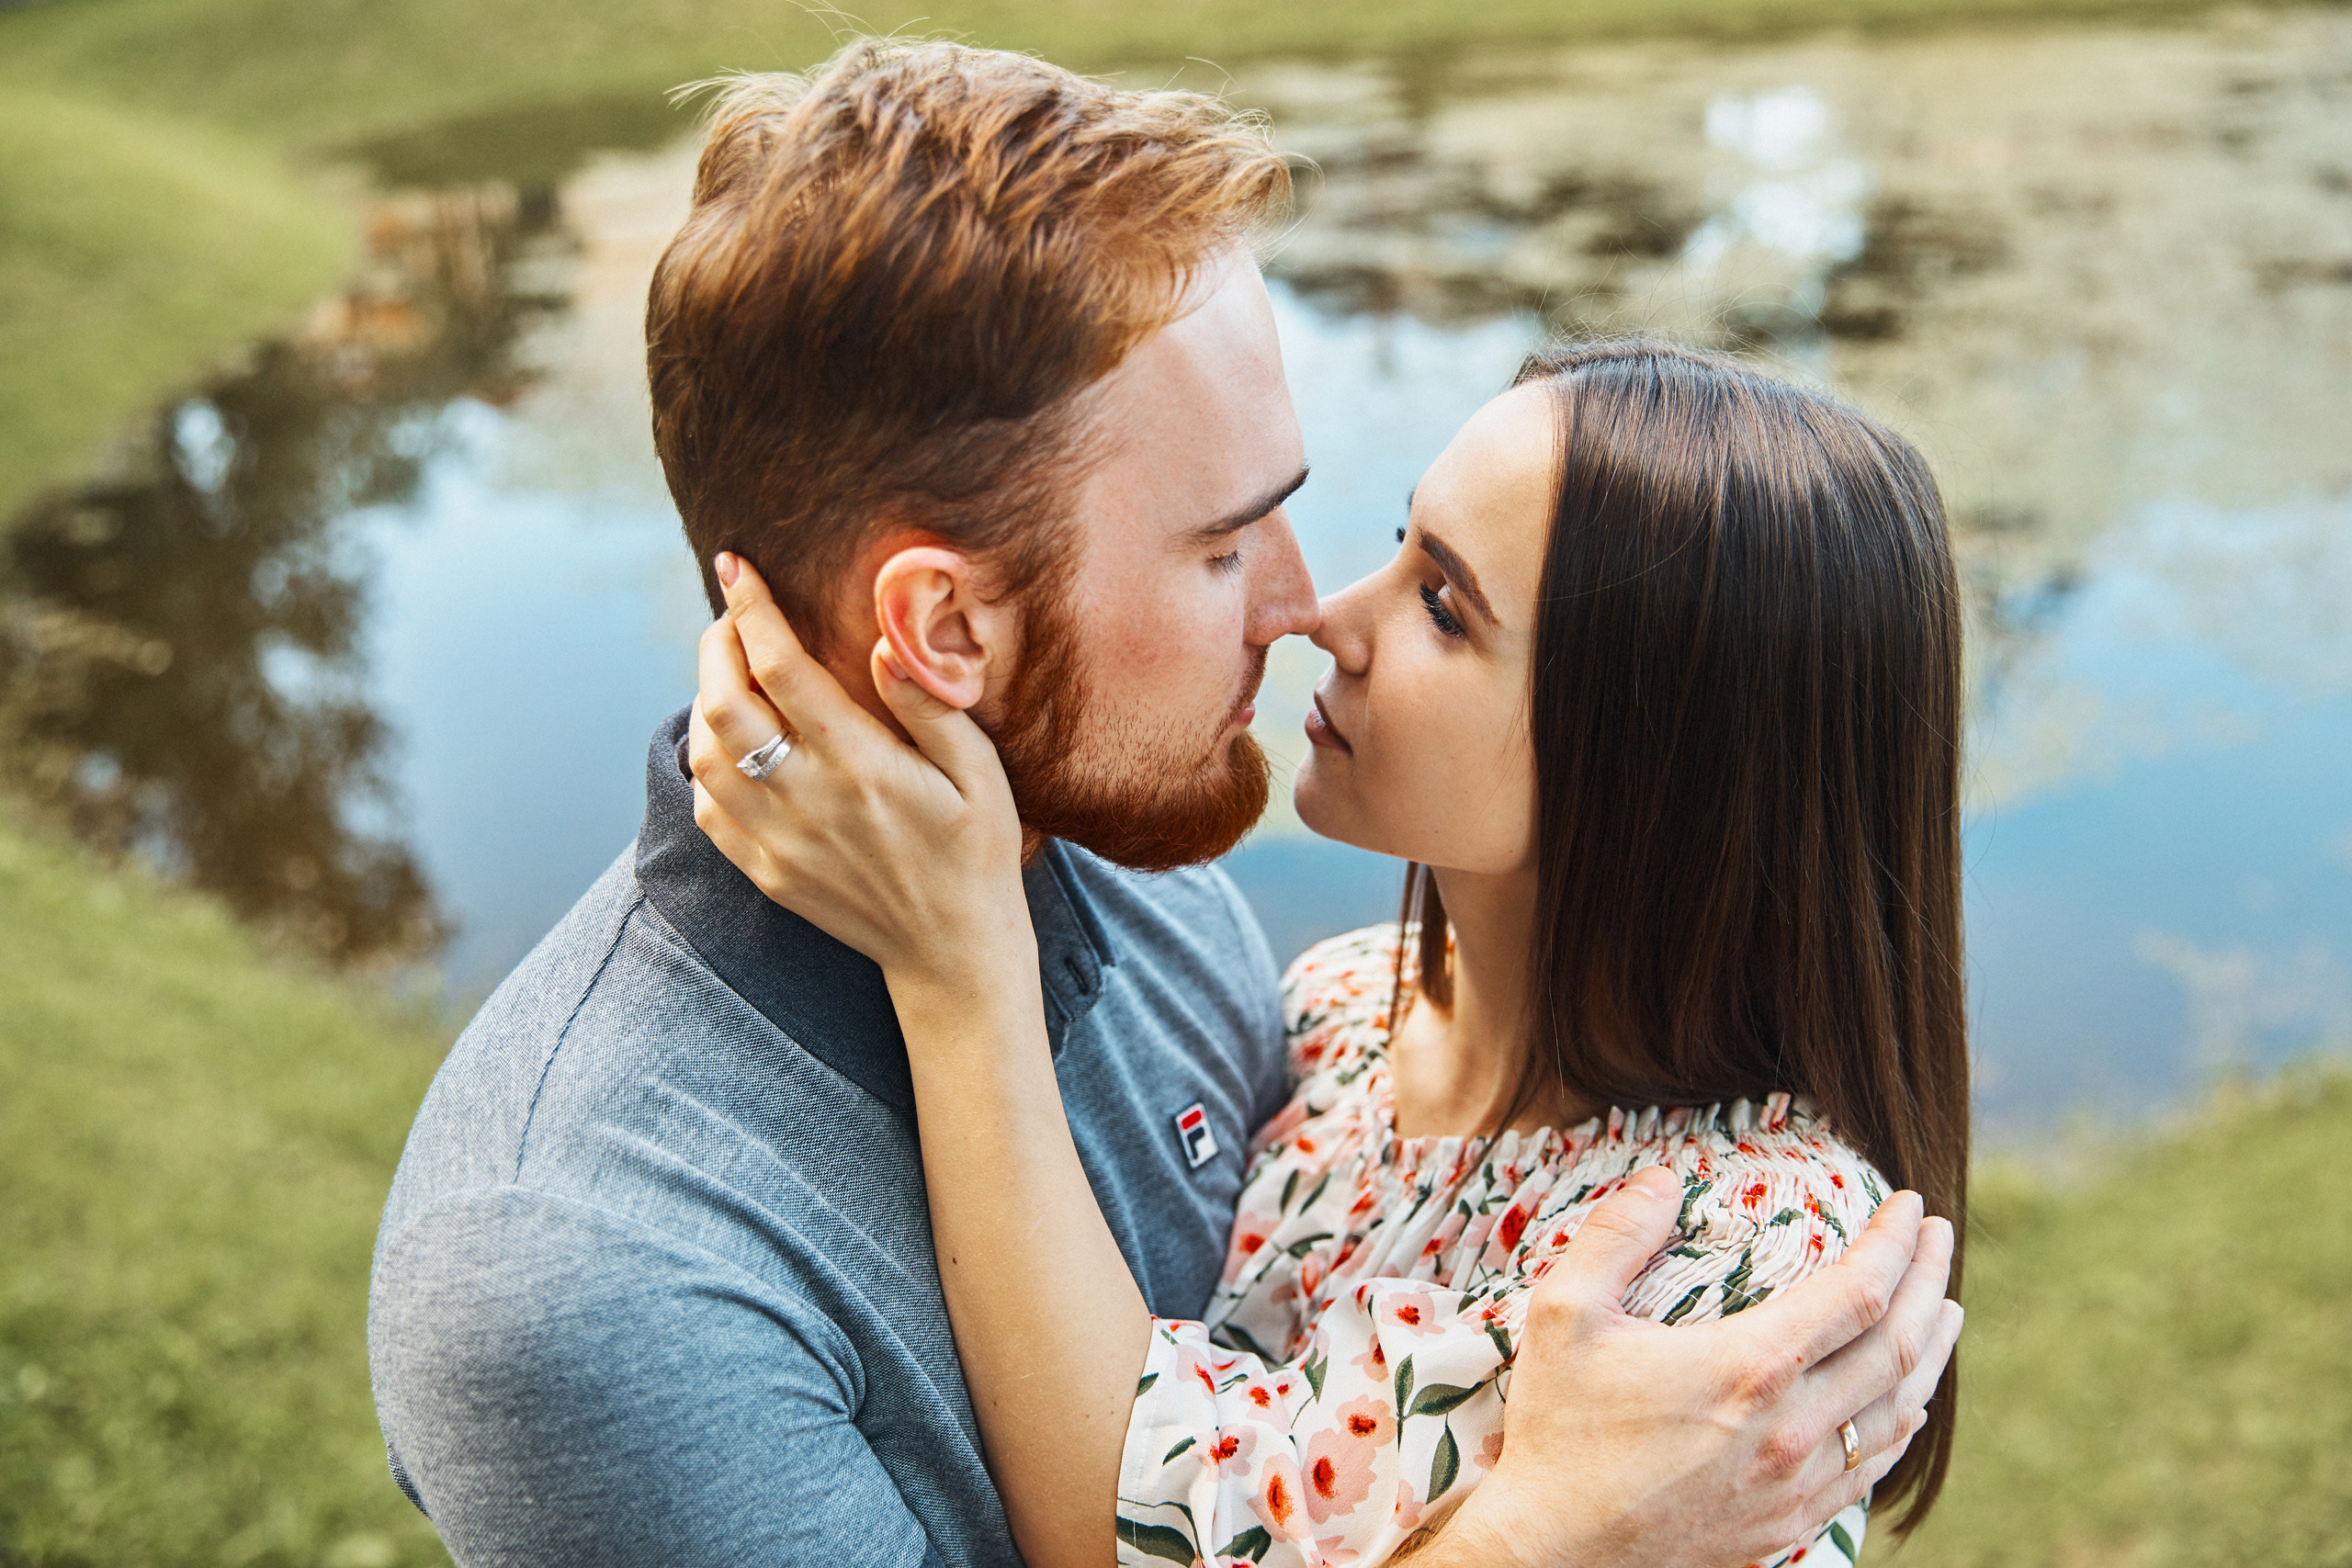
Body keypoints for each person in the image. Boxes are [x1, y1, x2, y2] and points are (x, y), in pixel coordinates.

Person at [367, 39, 1960, 1566]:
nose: (1301, 606)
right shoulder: (579, 1280)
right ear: (947, 632)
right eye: (1218, 548)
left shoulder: (1153, 888)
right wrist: (1547, 1543)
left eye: (1432, 590)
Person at [687, 338, 1970, 1566]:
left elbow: (1139, 1528)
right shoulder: (1347, 1009)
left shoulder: (1745, 1247)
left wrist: (962, 966)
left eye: (1443, 607)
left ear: (1658, 769)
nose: (1324, 615)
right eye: (1405, 546)